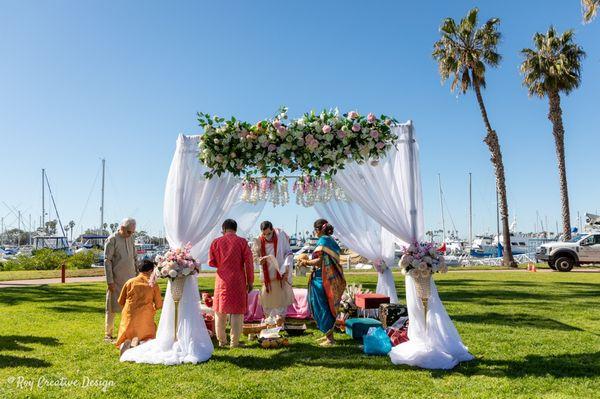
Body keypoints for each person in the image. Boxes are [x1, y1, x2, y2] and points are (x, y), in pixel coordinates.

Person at [298, 219, 346, 346]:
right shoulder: (331, 241)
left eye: (315, 230)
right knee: (326, 305)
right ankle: (328, 335)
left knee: (323, 306)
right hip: (326, 278)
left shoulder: (323, 241)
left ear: (318, 230)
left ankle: (330, 339)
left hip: (322, 279)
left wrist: (305, 262)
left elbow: (319, 261)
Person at [208, 219, 254, 348]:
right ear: (236, 229)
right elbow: (249, 263)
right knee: (237, 312)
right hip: (238, 280)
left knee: (220, 311)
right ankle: (234, 342)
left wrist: (223, 264)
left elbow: (211, 262)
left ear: (223, 229)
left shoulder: (216, 242)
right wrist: (250, 281)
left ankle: (222, 341)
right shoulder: (242, 242)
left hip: (222, 279)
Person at [115, 259, 163, 354]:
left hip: (129, 316)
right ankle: (140, 343)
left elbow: (121, 300)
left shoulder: (130, 282)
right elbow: (158, 304)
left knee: (126, 334)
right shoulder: (153, 284)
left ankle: (125, 343)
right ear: (151, 271)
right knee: (148, 337)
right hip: (146, 317)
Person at [251, 221, 294, 324]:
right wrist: (258, 260)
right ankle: (269, 323)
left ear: (272, 229)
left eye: (269, 233)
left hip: (280, 274)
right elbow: (254, 254)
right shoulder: (258, 239)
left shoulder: (281, 236)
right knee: (267, 302)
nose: (267, 236)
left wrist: (285, 268)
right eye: (264, 234)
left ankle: (279, 322)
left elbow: (288, 252)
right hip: (266, 276)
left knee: (280, 301)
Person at [104, 217, 137, 342]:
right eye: (129, 232)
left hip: (131, 279)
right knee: (112, 307)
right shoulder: (112, 239)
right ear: (122, 228)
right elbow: (107, 261)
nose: (130, 234)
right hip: (116, 280)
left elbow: (134, 257)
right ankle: (108, 334)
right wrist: (110, 281)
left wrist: (139, 275)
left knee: (131, 307)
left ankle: (129, 332)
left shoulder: (131, 238)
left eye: (132, 232)